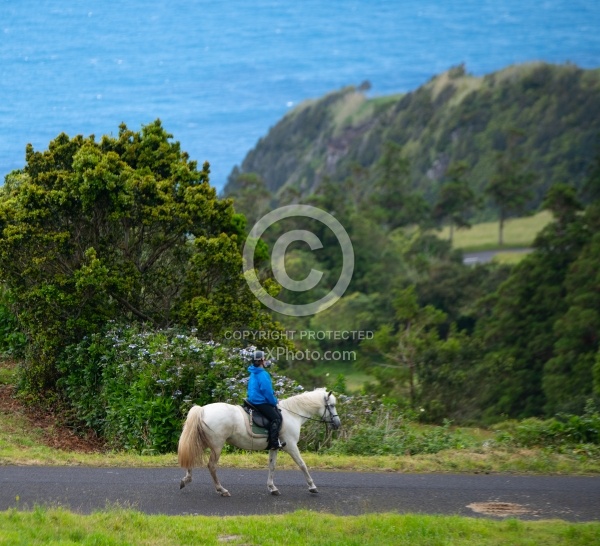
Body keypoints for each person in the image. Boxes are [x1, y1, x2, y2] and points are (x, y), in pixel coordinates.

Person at [246, 350, 285, 450]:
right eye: (264, 358)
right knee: (276, 418)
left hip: (251, 400)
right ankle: (274, 443)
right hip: (260, 402)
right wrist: (274, 401)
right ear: (262, 361)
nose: (266, 360)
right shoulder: (263, 374)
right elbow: (267, 392)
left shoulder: (253, 372)